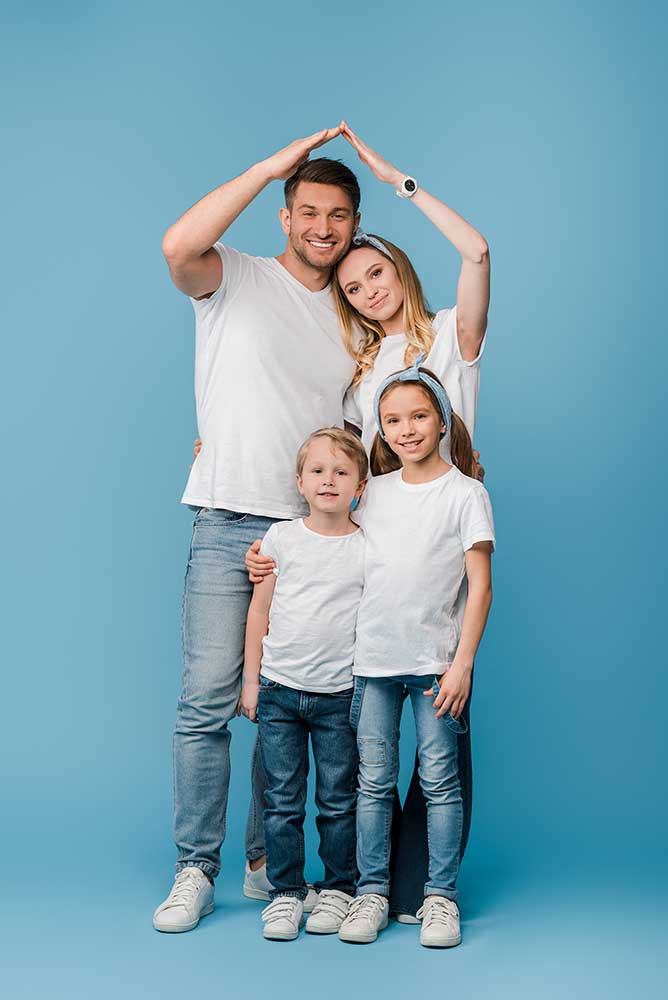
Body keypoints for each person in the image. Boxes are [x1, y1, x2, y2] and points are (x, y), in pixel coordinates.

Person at [245, 122, 491, 922]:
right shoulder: (360, 376)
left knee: (443, 741)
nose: (366, 289)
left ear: (398, 269)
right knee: (374, 753)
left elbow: (479, 252)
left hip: (442, 540)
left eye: (375, 273)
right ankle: (380, 888)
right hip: (378, 565)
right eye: (351, 287)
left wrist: (397, 181)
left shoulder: (450, 333)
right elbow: (336, 461)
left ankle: (430, 889)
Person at [153, 126, 365, 933]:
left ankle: (262, 866)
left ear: (352, 224)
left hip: (309, 534)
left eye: (338, 215)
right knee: (207, 701)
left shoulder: (352, 319)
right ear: (285, 215)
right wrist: (269, 165)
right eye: (307, 209)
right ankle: (194, 870)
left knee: (287, 702)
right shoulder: (232, 275)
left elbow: (360, 436)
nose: (323, 227)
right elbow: (179, 243)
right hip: (226, 515)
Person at [336, 358, 494, 948]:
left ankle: (439, 898)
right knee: (372, 782)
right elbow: (319, 515)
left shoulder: (466, 494)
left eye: (419, 416)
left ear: (442, 419)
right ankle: (372, 892)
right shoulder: (369, 492)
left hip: (436, 668)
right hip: (373, 663)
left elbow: (480, 586)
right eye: (392, 420)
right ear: (379, 428)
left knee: (440, 782)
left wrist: (463, 664)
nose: (406, 429)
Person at [239, 428, 367, 941]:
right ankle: (286, 893)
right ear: (299, 482)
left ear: (360, 484)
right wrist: (251, 683)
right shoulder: (281, 539)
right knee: (282, 800)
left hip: (339, 696)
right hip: (278, 692)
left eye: (341, 472)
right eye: (317, 471)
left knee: (338, 799)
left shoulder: (367, 546)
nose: (328, 480)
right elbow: (259, 613)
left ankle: (338, 889)